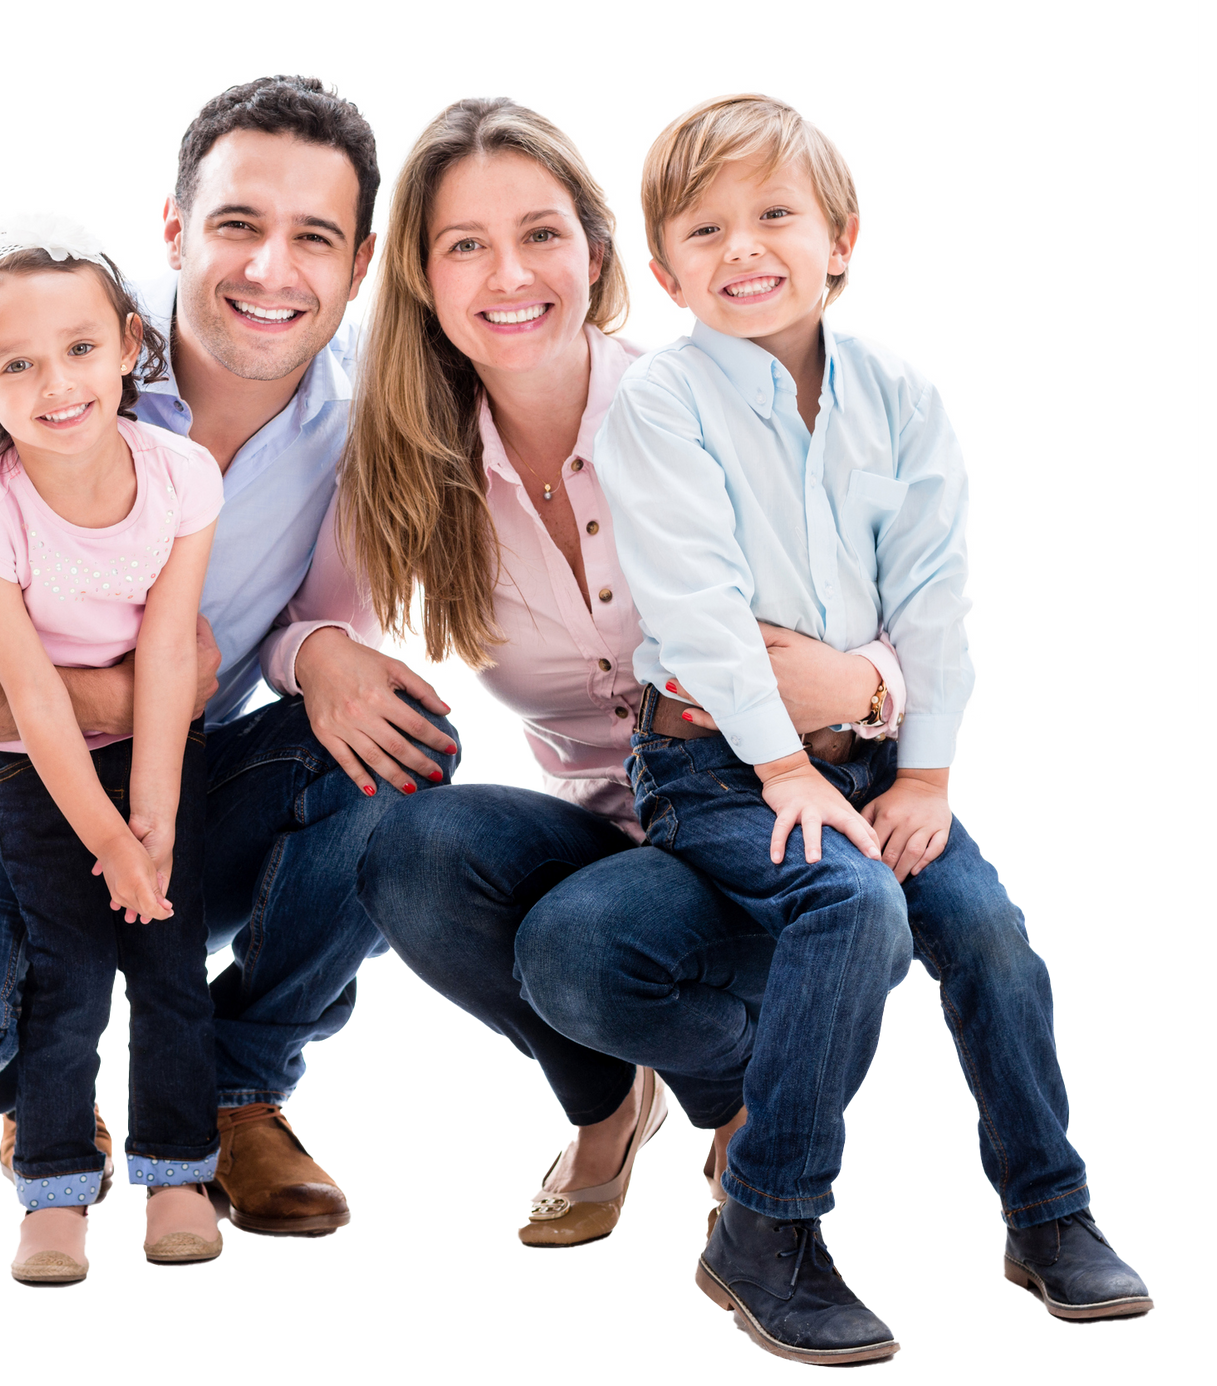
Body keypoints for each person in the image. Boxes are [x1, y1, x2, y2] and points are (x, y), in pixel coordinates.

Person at [0, 77, 460, 1249]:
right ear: (173, 227)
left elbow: (297, 619)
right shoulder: (38, 355)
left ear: (360, 264)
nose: (272, 270)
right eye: (237, 226)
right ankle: (45, 1092)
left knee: (411, 744)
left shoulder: (362, 414)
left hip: (177, 791)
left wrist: (323, 652)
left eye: (314, 237)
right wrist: (111, 695)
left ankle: (229, 1082)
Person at [262, 97, 904, 1268]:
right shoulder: (415, 458)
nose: (510, 273)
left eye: (541, 234)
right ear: (420, 276)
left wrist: (863, 683)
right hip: (608, 831)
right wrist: (321, 654)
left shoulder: (710, 410)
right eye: (466, 244)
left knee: (578, 948)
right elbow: (300, 613)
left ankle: (725, 1097)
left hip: (769, 834)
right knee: (405, 847)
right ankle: (611, 1103)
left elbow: (914, 605)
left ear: (598, 256)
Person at [594, 93, 1156, 1365]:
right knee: (855, 909)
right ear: (665, 266)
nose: (744, 250)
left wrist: (930, 778)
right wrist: (785, 767)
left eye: (775, 216)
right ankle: (766, 1225)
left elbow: (936, 596)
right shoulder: (661, 407)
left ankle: (1049, 1215)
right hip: (716, 767)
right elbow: (699, 609)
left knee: (992, 935)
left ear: (841, 236)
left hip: (878, 762)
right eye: (706, 229)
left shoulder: (898, 396)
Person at [0, 219, 226, 1284]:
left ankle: (179, 1171)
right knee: (73, 971)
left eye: (82, 348)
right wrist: (103, 837)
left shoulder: (183, 477)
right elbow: (37, 704)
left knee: (170, 966)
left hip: (153, 741)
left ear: (131, 342)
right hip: (33, 759)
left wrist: (152, 825)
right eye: (17, 364)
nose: (58, 382)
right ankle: (52, 1190)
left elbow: (170, 656)